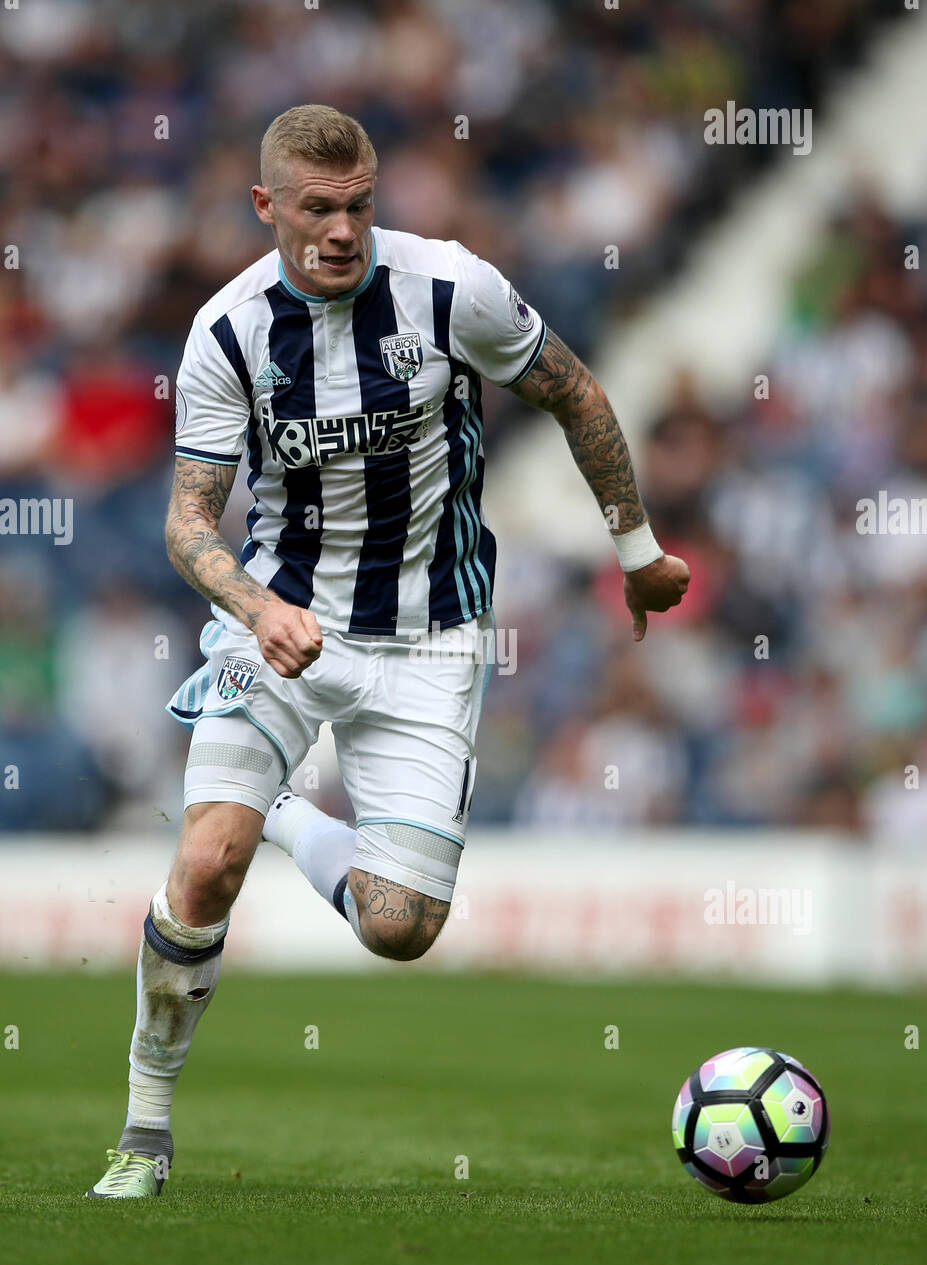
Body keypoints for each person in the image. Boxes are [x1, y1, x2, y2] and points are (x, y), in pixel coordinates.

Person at [87, 104, 688, 1198]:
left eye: (358, 205)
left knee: (398, 928)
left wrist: (638, 549)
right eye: (316, 209)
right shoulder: (227, 332)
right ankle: (145, 1125)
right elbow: (187, 524)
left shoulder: (452, 287)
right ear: (266, 207)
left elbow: (574, 391)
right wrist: (254, 603)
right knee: (206, 862)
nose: (341, 231)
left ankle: (290, 816)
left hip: (430, 638)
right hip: (280, 624)